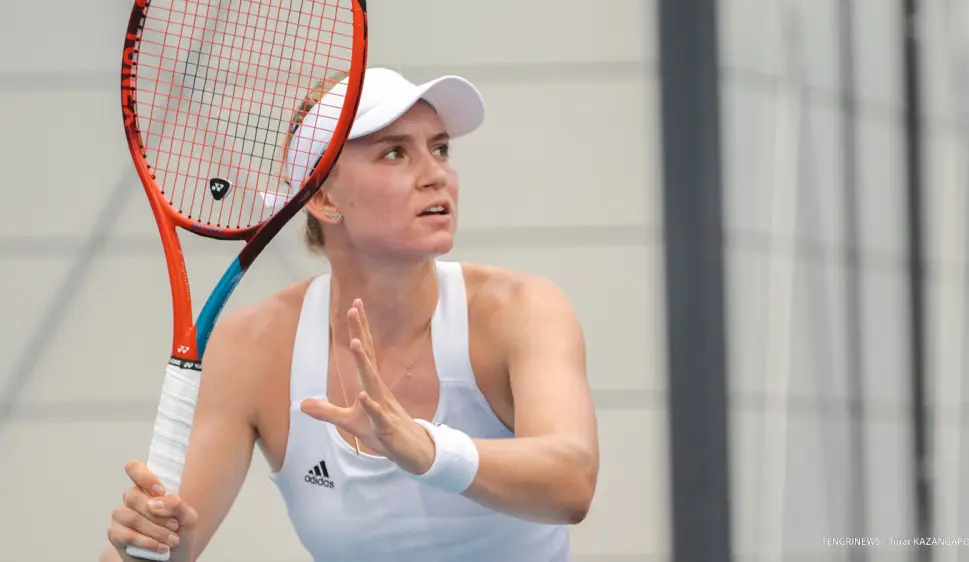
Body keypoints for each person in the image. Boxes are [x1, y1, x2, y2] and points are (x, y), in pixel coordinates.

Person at [101, 67, 599, 562]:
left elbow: (572, 482)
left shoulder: (522, 309)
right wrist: (150, 546)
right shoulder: (252, 347)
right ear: (322, 197)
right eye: (394, 153)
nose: (436, 174)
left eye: (440, 148)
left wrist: (427, 449)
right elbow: (164, 547)